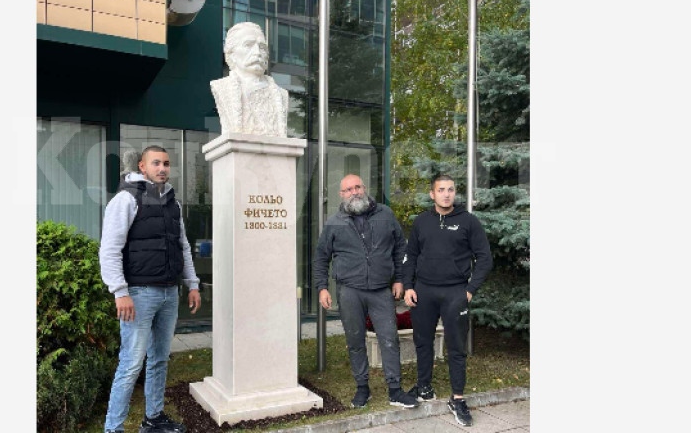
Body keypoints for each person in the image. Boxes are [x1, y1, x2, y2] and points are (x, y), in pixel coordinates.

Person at [99, 145, 202, 433]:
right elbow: (109, 249)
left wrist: (192, 284)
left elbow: (182, 246)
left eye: (166, 164)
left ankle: (153, 419)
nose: (162, 168)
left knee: (159, 360)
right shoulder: (126, 199)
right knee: (131, 364)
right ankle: (113, 428)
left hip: (170, 293)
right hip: (140, 294)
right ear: (142, 167)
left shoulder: (173, 203)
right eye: (156, 163)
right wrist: (120, 292)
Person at [313, 174, 420, 410]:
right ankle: (362, 388)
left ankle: (395, 390)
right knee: (355, 342)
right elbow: (321, 257)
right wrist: (322, 288)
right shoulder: (334, 222)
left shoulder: (385, 214)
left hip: (381, 290)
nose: (354, 192)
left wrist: (400, 279)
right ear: (341, 194)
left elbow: (400, 247)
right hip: (350, 291)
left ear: (364, 188)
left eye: (357, 187)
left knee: (389, 339)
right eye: (348, 189)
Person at [402, 174, 493, 427]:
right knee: (423, 342)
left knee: (456, 347)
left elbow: (485, 258)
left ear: (455, 193)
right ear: (432, 194)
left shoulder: (468, 222)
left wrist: (470, 290)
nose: (446, 194)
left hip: (455, 293)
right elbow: (410, 255)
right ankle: (424, 388)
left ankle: (458, 398)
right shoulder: (421, 221)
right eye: (441, 190)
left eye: (450, 190)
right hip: (424, 292)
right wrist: (408, 286)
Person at [210, 22, 289, 137]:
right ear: (231, 54)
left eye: (262, 47)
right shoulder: (221, 87)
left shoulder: (282, 95)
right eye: (248, 45)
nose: (257, 52)